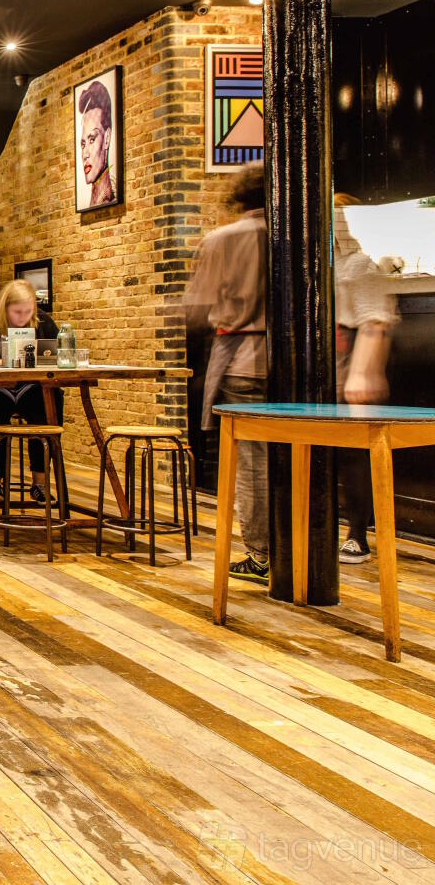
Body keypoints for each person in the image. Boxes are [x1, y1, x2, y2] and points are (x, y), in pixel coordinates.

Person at [184, 165, 268, 582]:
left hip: (244, 363)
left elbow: (195, 306)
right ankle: (295, 543)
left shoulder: (223, 240)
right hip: (293, 365)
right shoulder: (295, 233)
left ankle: (260, 553)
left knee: (252, 462)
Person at [334, 195, 398, 563]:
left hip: (349, 357)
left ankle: (358, 534)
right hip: (330, 359)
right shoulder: (327, 263)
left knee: (355, 454)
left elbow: (375, 321)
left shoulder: (359, 265)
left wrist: (361, 371)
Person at [0, 280, 59, 499]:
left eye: (28, 312)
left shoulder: (43, 323)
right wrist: (1, 362)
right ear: (4, 307)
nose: (22, 317)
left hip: (31, 387)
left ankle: (40, 482)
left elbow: (55, 356)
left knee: (48, 407)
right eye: (17, 312)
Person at [77, 79, 118, 208]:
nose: (85, 154)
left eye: (92, 139)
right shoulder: (96, 202)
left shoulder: (107, 200)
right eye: (83, 144)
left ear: (107, 138)